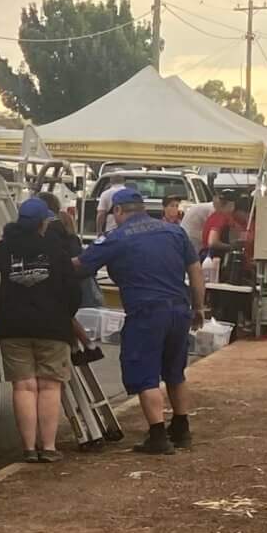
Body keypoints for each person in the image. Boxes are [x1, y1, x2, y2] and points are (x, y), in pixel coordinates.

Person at [77, 184, 206, 456]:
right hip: (179, 310)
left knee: (145, 373)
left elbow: (81, 265)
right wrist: (198, 308)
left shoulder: (117, 237)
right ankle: (181, 429)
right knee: (174, 371)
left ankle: (157, 436)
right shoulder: (175, 231)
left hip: (147, 313)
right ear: (145, 209)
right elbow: (195, 271)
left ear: (119, 210)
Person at [0, 196, 84, 465]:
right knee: (50, 387)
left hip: (13, 326)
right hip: (52, 327)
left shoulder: (7, 247)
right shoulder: (57, 249)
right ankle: (48, 448)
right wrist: (66, 316)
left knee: (24, 387)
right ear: (43, 223)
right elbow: (74, 292)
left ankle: (28, 448)